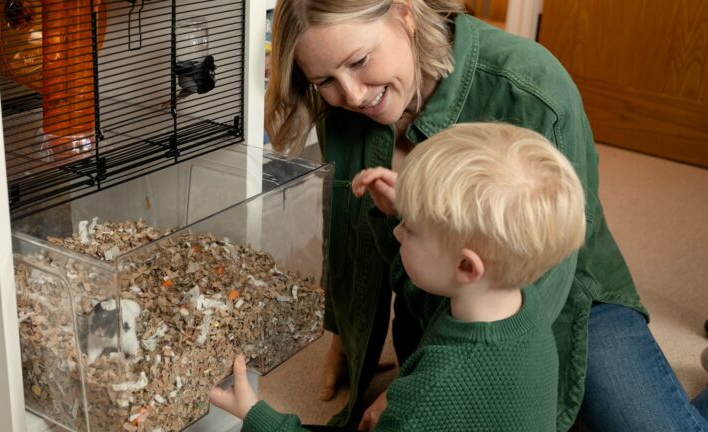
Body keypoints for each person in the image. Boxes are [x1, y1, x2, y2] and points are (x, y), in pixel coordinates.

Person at [264, 0, 708, 430]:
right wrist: (344, 334)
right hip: (440, 297)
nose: (353, 95)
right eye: (325, 79)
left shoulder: (532, 84)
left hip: (567, 292)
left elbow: (551, 267)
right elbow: (347, 231)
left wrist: (424, 394)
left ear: (404, 13)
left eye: (359, 60)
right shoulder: (339, 108)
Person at [210, 122, 587, 431]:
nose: (397, 231)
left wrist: (257, 416)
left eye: (409, 227)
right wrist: (396, 209)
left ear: (466, 266)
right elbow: (427, 291)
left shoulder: (431, 395)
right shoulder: (521, 307)